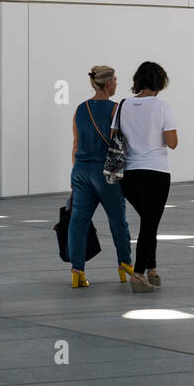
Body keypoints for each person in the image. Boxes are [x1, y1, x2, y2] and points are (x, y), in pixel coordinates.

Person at [67, 65, 134, 288]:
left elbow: (76, 144)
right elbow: (122, 143)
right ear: (107, 84)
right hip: (105, 171)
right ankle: (124, 263)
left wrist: (75, 173)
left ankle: (77, 271)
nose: (117, 83)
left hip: (81, 170)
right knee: (117, 220)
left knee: (78, 221)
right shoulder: (116, 109)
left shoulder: (80, 108)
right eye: (115, 79)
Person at [115, 61, 178, 291]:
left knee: (149, 222)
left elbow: (115, 135)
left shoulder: (123, 105)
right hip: (156, 173)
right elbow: (172, 143)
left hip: (128, 175)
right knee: (150, 225)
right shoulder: (162, 107)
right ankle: (139, 274)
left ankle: (152, 270)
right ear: (160, 82)